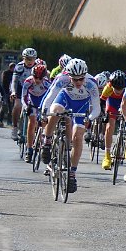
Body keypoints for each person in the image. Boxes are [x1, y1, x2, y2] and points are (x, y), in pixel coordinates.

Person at [38, 58, 101, 194]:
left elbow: (97, 108)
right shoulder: (62, 79)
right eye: (74, 79)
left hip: (81, 106)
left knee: (77, 137)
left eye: (81, 79)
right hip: (64, 99)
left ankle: (72, 174)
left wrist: (89, 118)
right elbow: (49, 98)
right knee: (55, 111)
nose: (78, 82)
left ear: (85, 76)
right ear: (69, 76)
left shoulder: (91, 83)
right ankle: (47, 141)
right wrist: (43, 113)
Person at [20, 64, 52, 163]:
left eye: (40, 78)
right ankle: (29, 149)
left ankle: (43, 139)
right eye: (35, 77)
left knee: (44, 122)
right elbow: (23, 97)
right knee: (32, 122)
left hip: (43, 103)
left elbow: (51, 98)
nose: (37, 80)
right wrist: (26, 107)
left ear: (44, 77)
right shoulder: (28, 82)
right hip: (32, 103)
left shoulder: (47, 84)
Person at [100, 71, 126, 170]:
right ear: (112, 85)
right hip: (112, 102)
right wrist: (104, 114)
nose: (118, 91)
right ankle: (107, 156)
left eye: (121, 89)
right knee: (110, 126)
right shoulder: (108, 88)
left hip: (125, 102)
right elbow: (102, 102)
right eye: (116, 88)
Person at [10, 48, 38, 141]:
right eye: (27, 59)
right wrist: (13, 92)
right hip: (20, 87)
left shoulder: (37, 67)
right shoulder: (19, 67)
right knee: (17, 106)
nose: (30, 61)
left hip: (32, 88)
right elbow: (14, 81)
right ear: (23, 58)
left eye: (32, 59)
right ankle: (14, 127)